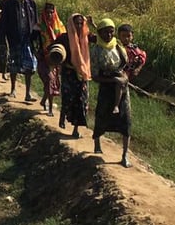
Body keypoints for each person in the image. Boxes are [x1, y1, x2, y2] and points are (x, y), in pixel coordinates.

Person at [89, 17, 132, 167]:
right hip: (106, 87)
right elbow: (94, 76)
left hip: (121, 87)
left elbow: (125, 65)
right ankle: (97, 142)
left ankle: (125, 155)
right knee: (101, 116)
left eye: (111, 32)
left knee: (126, 120)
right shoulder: (95, 51)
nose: (108, 35)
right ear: (99, 33)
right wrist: (113, 80)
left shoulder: (118, 47)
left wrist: (123, 78)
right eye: (105, 32)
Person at [51, 13, 91, 138]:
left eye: (81, 23)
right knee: (68, 98)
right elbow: (52, 48)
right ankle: (63, 116)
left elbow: (101, 39)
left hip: (81, 73)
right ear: (71, 24)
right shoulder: (64, 38)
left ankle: (75, 129)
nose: (79, 26)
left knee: (81, 100)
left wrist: (93, 25)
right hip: (68, 73)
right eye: (76, 23)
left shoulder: (85, 37)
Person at [0, 0, 39, 101]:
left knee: (29, 66)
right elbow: (3, 22)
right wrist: (2, 39)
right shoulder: (9, 4)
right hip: (14, 38)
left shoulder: (31, 3)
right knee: (14, 65)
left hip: (27, 39)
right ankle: (13, 89)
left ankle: (28, 93)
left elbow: (35, 22)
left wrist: (36, 39)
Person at [37, 2, 65, 116]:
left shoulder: (59, 26)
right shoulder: (38, 27)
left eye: (51, 12)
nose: (49, 14)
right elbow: (33, 41)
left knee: (52, 82)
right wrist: (36, 52)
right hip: (43, 58)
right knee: (48, 80)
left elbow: (63, 41)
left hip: (56, 58)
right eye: (47, 12)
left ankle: (45, 100)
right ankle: (50, 109)